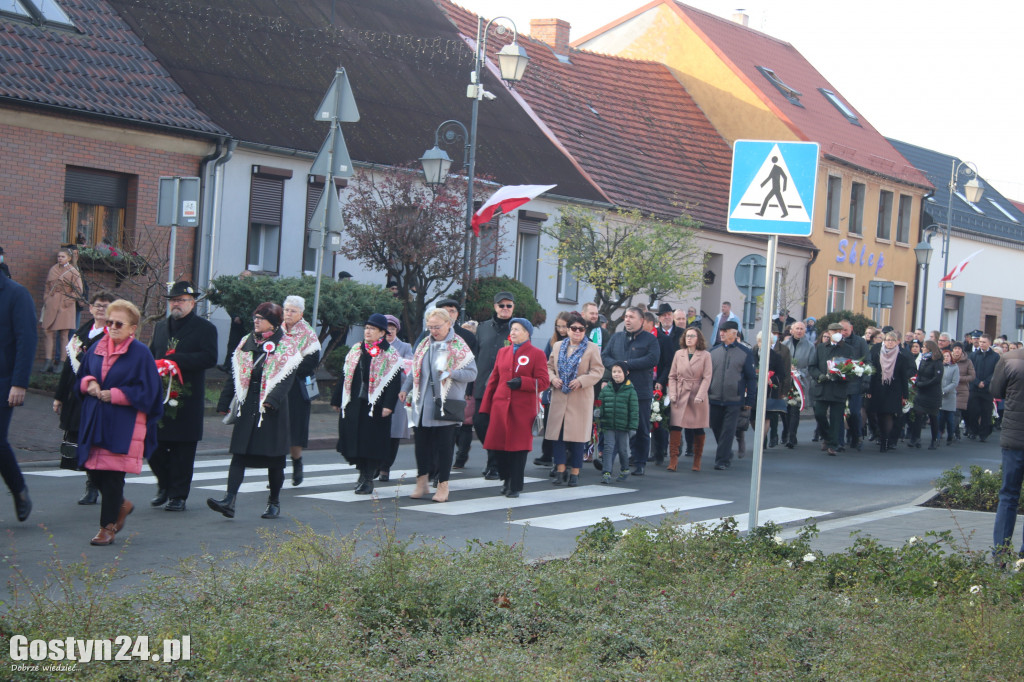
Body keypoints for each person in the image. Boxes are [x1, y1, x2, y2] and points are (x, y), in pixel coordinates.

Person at [76, 300, 162, 544]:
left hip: (125, 424)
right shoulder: (96, 348)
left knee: (112, 476)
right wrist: (90, 382)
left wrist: (114, 394)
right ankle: (121, 505)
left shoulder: (140, 353)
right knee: (93, 471)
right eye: (109, 322)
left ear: (132, 328)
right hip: (96, 419)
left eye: (118, 324)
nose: (112, 327)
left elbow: (149, 392)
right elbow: (83, 374)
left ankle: (107, 528)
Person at [209, 303, 302, 519]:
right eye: (255, 316)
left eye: (261, 317)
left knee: (274, 459)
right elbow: (237, 373)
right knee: (239, 454)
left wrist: (272, 400)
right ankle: (229, 500)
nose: (256, 321)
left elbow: (287, 379)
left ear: (275, 322)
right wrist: (224, 402)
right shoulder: (246, 341)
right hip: (248, 403)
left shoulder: (287, 346)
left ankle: (274, 502)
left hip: (272, 409)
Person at [147, 282, 219, 512]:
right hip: (160, 396)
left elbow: (209, 358)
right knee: (153, 446)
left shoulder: (205, 328)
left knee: (182, 450)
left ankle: (178, 495)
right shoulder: (160, 327)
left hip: (187, 397)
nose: (176, 304)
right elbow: (151, 354)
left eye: (181, 300)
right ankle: (165, 485)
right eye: (173, 300)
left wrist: (176, 360)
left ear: (192, 302)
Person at [400, 309, 475, 501]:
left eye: (437, 327)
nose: (433, 331)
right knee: (421, 445)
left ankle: (443, 485)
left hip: (446, 403)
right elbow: (414, 371)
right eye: (430, 327)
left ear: (448, 324)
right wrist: (405, 388)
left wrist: (453, 373)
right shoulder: (424, 344)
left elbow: (472, 374)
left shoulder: (459, 345)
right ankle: (422, 482)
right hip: (422, 403)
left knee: (444, 447)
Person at [332, 314, 404, 496]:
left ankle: (368, 478)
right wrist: (337, 399)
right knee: (354, 439)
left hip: (376, 405)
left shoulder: (390, 354)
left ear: (382, 333)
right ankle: (362, 472)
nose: (368, 332)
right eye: (366, 328)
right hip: (355, 402)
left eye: (372, 329)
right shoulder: (356, 349)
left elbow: (394, 382)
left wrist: (389, 405)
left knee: (371, 441)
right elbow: (345, 374)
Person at [53, 292, 114, 505]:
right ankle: (90, 481)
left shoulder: (112, 335)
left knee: (93, 443)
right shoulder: (81, 332)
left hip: (95, 396)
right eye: (97, 305)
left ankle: (95, 486)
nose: (100, 309)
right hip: (75, 396)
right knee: (76, 442)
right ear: (90, 308)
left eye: (105, 306)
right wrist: (59, 397)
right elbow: (68, 368)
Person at [478, 318, 549, 498]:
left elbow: (543, 382)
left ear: (527, 333)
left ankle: (514, 485)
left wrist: (523, 382)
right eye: (512, 329)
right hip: (500, 406)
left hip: (522, 410)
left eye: (517, 329)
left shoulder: (537, 354)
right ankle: (505, 477)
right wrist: (486, 407)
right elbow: (493, 380)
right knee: (498, 446)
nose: (513, 332)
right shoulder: (503, 352)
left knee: (518, 449)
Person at [546, 313, 604, 486]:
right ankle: (560, 470)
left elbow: (597, 371)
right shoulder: (557, 346)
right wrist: (552, 378)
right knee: (558, 437)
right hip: (560, 396)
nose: (577, 332)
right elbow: (548, 367)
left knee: (577, 439)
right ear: (568, 330)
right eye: (574, 328)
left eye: (581, 329)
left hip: (580, 397)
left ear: (585, 331)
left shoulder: (591, 348)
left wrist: (581, 381)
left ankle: (575, 473)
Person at [601, 307, 660, 475]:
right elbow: (605, 356)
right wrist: (617, 367)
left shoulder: (650, 340)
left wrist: (628, 364)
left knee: (640, 428)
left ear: (641, 321)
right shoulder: (616, 338)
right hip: (617, 391)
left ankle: (639, 462)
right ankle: (608, 463)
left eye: (631, 317)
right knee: (613, 426)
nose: (627, 320)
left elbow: (652, 359)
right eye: (626, 316)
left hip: (639, 391)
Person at [0, 267, 37, 523]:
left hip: (4, 380)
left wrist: (20, 383)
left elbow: (27, 339)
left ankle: (19, 490)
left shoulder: (16, 294)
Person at [473, 292, 516, 480]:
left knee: (499, 426)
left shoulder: (517, 329)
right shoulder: (482, 328)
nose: (505, 309)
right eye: (501, 305)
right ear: (495, 307)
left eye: (508, 306)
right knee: (480, 423)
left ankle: (494, 464)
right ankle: (495, 458)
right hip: (482, 385)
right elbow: (474, 357)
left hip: (505, 387)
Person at [280, 295, 321, 487]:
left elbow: (312, 362)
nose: (288, 314)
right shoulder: (277, 330)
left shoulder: (308, 333)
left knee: (295, 427)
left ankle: (297, 463)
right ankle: (276, 470)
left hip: (298, 386)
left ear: (301, 314)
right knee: (278, 428)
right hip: (278, 384)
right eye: (286, 310)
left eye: (293, 311)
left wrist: (289, 365)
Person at [707, 321, 756, 469]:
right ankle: (726, 452)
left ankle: (722, 460)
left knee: (728, 430)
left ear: (734, 333)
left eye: (725, 331)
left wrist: (750, 399)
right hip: (714, 398)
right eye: (721, 330)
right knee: (716, 427)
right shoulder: (713, 352)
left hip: (734, 399)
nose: (722, 333)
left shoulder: (745, 353)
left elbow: (751, 378)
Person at [991, 344, 1024, 561]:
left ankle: (1001, 553)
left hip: (1014, 438)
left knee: (1009, 496)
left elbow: (995, 391)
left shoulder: (1009, 359)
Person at [667, 327, 711, 471]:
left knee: (697, 427)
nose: (689, 338)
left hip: (697, 393)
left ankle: (697, 459)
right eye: (687, 336)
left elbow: (707, 377)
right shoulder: (678, 354)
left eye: (692, 336)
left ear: (698, 339)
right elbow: (672, 376)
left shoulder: (705, 355)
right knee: (675, 426)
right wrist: (672, 393)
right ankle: (673, 459)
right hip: (680, 393)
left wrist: (700, 395)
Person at [535, 312, 571, 470]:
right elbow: (544, 361)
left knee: (564, 425)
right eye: (559, 326)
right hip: (553, 386)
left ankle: (563, 456)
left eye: (564, 326)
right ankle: (547, 454)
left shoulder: (574, 341)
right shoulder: (553, 341)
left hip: (568, 388)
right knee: (550, 421)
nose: (561, 329)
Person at [866, 331, 914, 452]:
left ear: (897, 342)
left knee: (888, 415)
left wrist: (905, 395)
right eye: (887, 340)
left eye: (892, 340)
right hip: (879, 388)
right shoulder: (877, 355)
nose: (889, 342)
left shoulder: (901, 357)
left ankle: (885, 441)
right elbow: (873, 373)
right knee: (879, 415)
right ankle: (881, 436)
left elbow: (904, 377)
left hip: (894, 390)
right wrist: (869, 390)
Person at [809, 323, 852, 456]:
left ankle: (833, 445)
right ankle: (827, 436)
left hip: (839, 388)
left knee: (836, 418)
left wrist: (842, 375)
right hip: (823, 387)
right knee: (820, 414)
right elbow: (812, 366)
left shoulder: (847, 349)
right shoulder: (821, 347)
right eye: (834, 331)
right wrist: (820, 376)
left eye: (840, 331)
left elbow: (852, 368)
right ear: (829, 332)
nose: (838, 333)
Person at [380, 314, 413, 482]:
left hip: (398, 392)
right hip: (378, 392)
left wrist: (396, 363)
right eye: (386, 329)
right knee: (378, 431)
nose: (389, 332)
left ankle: (386, 467)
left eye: (392, 329)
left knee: (393, 433)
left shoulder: (405, 347)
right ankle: (375, 464)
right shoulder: (376, 346)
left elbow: (409, 367)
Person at [41, 248, 83, 373]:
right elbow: (48, 286)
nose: (60, 258)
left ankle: (62, 363)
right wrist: (46, 298)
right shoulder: (53, 269)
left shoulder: (73, 271)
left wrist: (68, 302)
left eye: (63, 256)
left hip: (66, 305)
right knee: (47, 331)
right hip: (52, 303)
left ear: (69, 258)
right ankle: (48, 361)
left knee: (64, 334)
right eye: (59, 256)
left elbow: (79, 290)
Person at [598, 363, 638, 483]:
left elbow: (634, 410)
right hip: (608, 424)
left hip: (623, 425)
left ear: (626, 373)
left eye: (619, 372)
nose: (616, 374)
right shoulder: (607, 389)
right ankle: (606, 472)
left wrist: (632, 427)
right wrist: (598, 413)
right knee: (608, 448)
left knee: (622, 449)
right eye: (614, 371)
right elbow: (601, 404)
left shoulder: (630, 390)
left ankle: (625, 469)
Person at [780, 321, 815, 448]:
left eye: (801, 329)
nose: (799, 331)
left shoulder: (810, 346)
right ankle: (785, 430)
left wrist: (798, 372)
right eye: (797, 328)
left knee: (794, 409)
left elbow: (811, 365)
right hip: (785, 382)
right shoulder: (784, 345)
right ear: (791, 331)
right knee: (784, 410)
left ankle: (791, 436)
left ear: (805, 331)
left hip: (800, 382)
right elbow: (779, 362)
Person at [839, 319, 869, 450]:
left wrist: (866, 380)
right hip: (840, 383)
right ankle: (839, 441)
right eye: (841, 330)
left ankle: (857, 436)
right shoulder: (837, 342)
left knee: (854, 412)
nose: (843, 333)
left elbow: (867, 361)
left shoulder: (860, 342)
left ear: (851, 328)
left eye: (845, 330)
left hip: (856, 383)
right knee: (840, 413)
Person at [907, 340, 943, 449]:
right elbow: (919, 373)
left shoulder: (937, 362)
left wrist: (923, 384)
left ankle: (934, 439)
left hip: (932, 394)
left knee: (933, 417)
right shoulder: (924, 360)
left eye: (924, 347)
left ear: (930, 349)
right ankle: (916, 438)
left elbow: (937, 379)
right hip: (921, 392)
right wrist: (917, 382)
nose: (922, 348)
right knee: (918, 414)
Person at [968, 334, 999, 443]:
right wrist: (977, 382)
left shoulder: (995, 357)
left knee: (986, 413)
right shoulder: (973, 355)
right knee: (973, 411)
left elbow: (995, 372)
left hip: (987, 389)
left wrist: (985, 382)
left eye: (984, 342)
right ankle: (973, 431)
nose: (981, 344)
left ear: (989, 343)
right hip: (974, 388)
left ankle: (984, 434)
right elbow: (970, 370)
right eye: (980, 342)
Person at [952, 343, 975, 441]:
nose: (957, 350)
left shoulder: (968, 362)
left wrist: (959, 378)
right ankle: (955, 430)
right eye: (955, 348)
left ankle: (954, 431)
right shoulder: (948, 359)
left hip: (962, 390)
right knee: (950, 412)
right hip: (950, 390)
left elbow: (972, 376)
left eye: (959, 348)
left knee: (957, 411)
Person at [939, 349, 960, 446]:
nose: (946, 358)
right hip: (939, 396)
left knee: (950, 420)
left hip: (950, 396)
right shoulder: (939, 366)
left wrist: (945, 390)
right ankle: (938, 436)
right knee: (940, 418)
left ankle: (950, 436)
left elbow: (955, 382)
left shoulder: (955, 367)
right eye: (944, 356)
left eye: (948, 356)